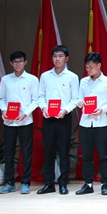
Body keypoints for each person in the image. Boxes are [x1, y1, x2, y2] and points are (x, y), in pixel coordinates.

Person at [37, 45, 80, 195]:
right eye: (55, 56)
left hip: (64, 118)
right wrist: (43, 108)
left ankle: (63, 183)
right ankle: (49, 183)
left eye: (60, 56)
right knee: (48, 151)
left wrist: (65, 110)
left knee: (63, 151)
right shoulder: (45, 76)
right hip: (48, 118)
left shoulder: (72, 77)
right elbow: (40, 96)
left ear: (66, 58)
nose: (57, 59)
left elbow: (75, 99)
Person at [0, 51, 39, 194]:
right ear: (11, 63)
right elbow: (2, 99)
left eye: (20, 61)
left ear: (25, 62)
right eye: (15, 62)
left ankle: (25, 182)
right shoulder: (5, 80)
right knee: (8, 153)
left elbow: (36, 100)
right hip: (9, 122)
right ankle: (9, 183)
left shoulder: (32, 79)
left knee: (26, 153)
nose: (18, 64)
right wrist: (4, 110)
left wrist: (25, 113)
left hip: (25, 121)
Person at [75, 52, 107, 196]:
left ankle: (104, 184)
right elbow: (78, 99)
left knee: (103, 155)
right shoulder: (83, 82)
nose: (88, 69)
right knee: (86, 155)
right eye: (87, 67)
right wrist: (79, 103)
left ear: (99, 65)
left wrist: (102, 109)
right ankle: (88, 184)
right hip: (85, 123)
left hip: (100, 123)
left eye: (91, 67)